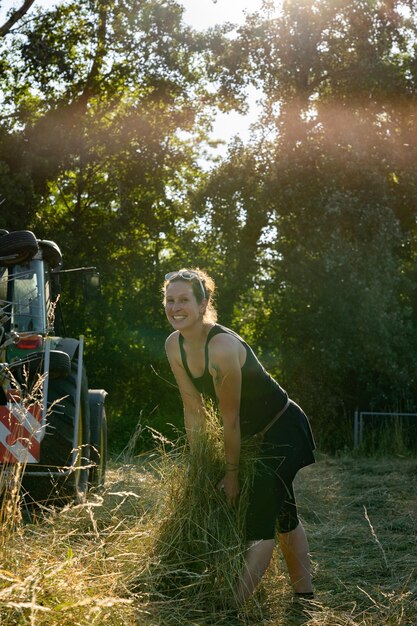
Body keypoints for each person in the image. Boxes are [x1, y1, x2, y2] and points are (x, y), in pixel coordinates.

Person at [163, 268, 316, 605]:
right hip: (253, 437)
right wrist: (197, 465)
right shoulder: (174, 345)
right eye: (170, 300)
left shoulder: (221, 346)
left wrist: (231, 474)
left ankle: (233, 608)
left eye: (184, 300)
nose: (175, 307)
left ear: (203, 304)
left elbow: (229, 419)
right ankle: (305, 597)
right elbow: (194, 411)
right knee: (284, 513)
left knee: (259, 519)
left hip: (283, 429)